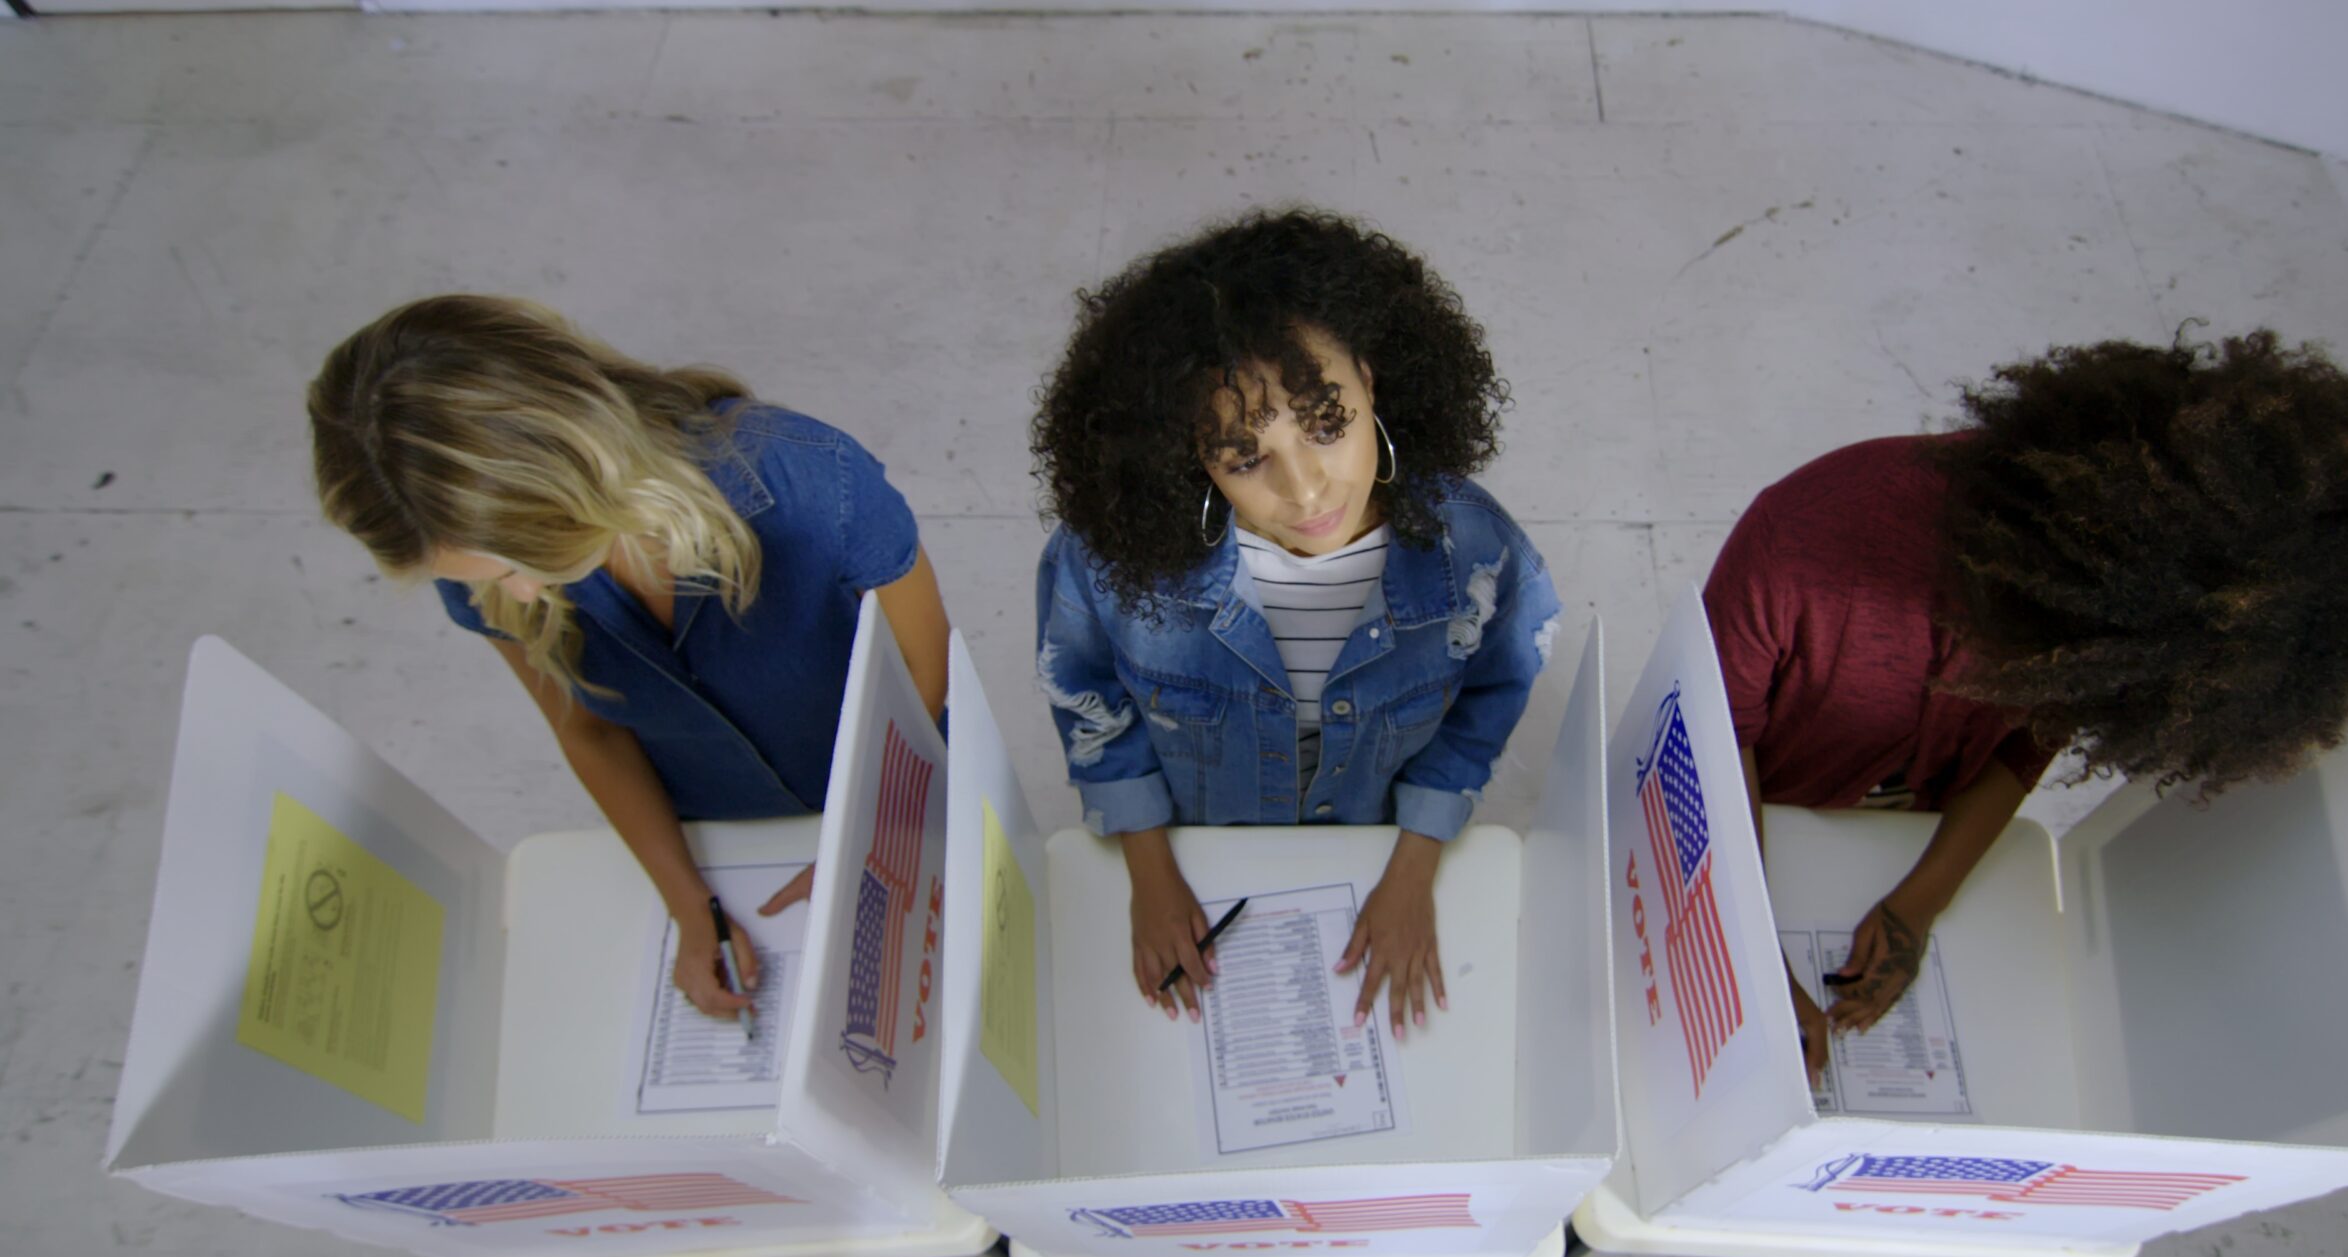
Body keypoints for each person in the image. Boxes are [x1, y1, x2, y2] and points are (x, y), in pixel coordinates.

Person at [1706, 331, 2348, 1082]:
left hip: (1899, 830)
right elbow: (1713, 741)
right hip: (1761, 814)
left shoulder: (2122, 624)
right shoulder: (1802, 539)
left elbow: (2024, 745)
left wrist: (1920, 902)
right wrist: (1748, 958)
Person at [309, 295, 951, 1020]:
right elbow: (591, 730)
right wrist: (689, 904)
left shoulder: (808, 482)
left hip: (892, 785)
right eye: (484, 579)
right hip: (720, 830)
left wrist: (867, 836)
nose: (518, 591)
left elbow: (922, 674)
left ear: (576, 464)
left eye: (527, 555)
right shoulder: (492, 581)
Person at [1031, 210, 1562, 1039]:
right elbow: (1088, 699)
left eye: (1326, 424)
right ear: (1192, 458)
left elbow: (1491, 699)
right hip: (1198, 842)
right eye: (1246, 460)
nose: (1309, 490)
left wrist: (1415, 864)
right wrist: (1149, 868)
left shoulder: (1480, 557)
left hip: (1376, 839)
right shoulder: (1104, 565)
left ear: (1371, 379)